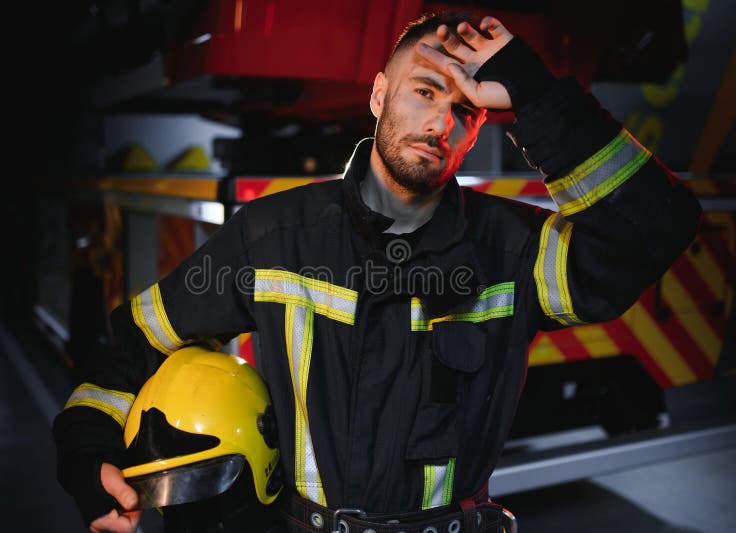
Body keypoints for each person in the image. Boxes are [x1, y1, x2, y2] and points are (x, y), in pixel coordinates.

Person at [53, 9, 701, 533]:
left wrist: (536, 95)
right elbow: (131, 344)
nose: (441, 121)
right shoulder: (270, 237)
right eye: (424, 90)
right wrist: (88, 451)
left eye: (467, 108)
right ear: (378, 93)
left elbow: (654, 228)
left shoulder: (513, 249)